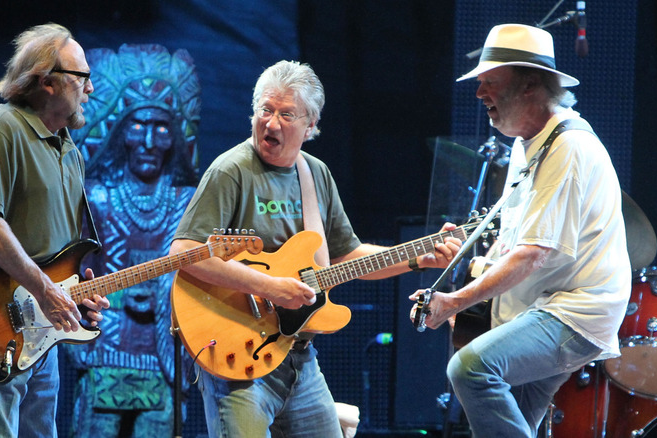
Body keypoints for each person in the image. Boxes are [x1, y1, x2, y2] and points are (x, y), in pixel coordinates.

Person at [169, 60, 462, 438]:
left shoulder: (315, 174)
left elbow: (344, 257)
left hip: (299, 357)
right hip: (238, 353)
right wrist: (271, 287)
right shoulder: (231, 170)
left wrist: (414, 258)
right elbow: (185, 251)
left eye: (286, 114)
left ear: (310, 126)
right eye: (265, 110)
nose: (271, 123)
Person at [410, 24, 631, 437]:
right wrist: (472, 268)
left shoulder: (568, 146)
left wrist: (456, 301)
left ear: (530, 85)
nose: (479, 94)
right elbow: (514, 240)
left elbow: (534, 253)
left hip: (574, 312)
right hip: (541, 305)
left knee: (471, 368)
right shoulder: (527, 142)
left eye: (490, 82)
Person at [0, 23, 110, 437]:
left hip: (39, 324)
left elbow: (55, 252)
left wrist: (73, 290)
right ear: (46, 82)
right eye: (82, 77)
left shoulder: (70, 150)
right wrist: (45, 289)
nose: (90, 88)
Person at [65, 43, 201, 437]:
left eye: (160, 127)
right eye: (138, 126)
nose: (148, 141)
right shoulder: (97, 197)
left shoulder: (186, 200)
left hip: (163, 353)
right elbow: (70, 269)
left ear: (174, 137)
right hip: (105, 344)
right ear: (121, 132)